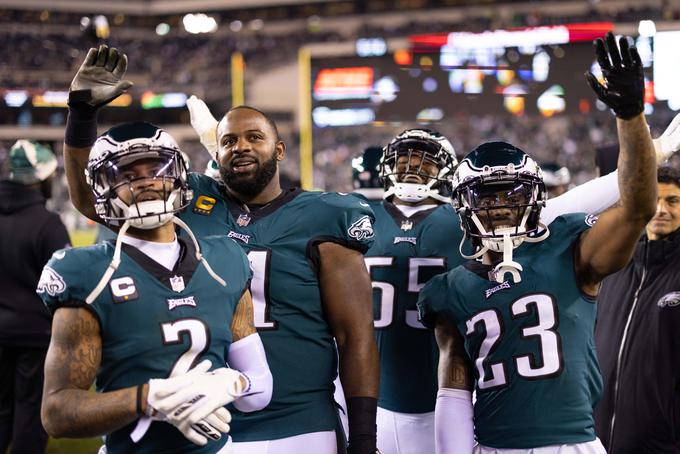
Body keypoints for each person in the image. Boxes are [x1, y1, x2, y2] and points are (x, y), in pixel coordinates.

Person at [63, 45, 379, 454]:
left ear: (279, 150)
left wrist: (365, 440)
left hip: (298, 423)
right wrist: (82, 115)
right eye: (228, 140)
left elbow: (356, 337)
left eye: (254, 138)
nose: (241, 147)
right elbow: (92, 200)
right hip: (198, 427)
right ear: (216, 152)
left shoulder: (324, 216)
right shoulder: (186, 200)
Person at [417, 31, 657, 453]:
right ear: (462, 207)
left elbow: (638, 208)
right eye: (486, 198)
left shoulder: (569, 247)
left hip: (571, 444)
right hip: (494, 445)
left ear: (534, 197)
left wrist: (630, 116)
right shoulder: (452, 287)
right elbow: (453, 382)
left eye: (512, 194)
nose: (500, 208)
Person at [39, 120, 272, 453]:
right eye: (128, 175)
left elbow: (260, 390)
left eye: (157, 168)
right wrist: (148, 399)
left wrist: (231, 384)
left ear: (178, 174)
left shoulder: (224, 260)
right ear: (104, 186)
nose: (147, 181)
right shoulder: (89, 274)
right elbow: (57, 413)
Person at [594, 165, 680, 453]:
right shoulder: (614, 266)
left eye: (672, 201)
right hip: (597, 440)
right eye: (654, 199)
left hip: (662, 444)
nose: (661, 209)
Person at [0, 140, 70, 454]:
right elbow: (66, 286)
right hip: (36, 335)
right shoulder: (48, 224)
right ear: (41, 178)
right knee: (30, 411)